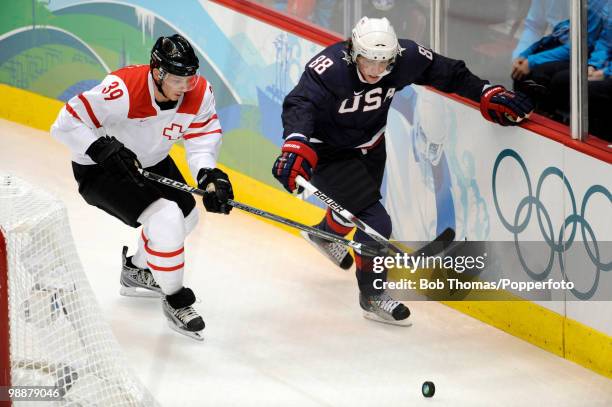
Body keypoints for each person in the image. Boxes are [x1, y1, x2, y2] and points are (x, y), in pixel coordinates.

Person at [272, 17, 533, 326]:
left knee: (354, 209)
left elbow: (445, 71)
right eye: (369, 61)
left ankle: (327, 234)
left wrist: (485, 92)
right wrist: (295, 145)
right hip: (328, 153)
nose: (376, 71)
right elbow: (300, 103)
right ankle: (372, 295)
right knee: (377, 223)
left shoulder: (404, 58)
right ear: (353, 52)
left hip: (371, 145)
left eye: (383, 64)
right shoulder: (329, 70)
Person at [50, 34, 234, 341]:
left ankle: (136, 270)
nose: (185, 87)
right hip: (100, 168)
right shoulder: (122, 90)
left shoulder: (199, 93)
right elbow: (65, 122)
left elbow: (201, 139)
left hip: (152, 160)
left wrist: (209, 175)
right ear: (157, 72)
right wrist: (98, 148)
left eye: (190, 78)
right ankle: (176, 298)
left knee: (187, 218)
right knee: (166, 217)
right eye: (177, 79)